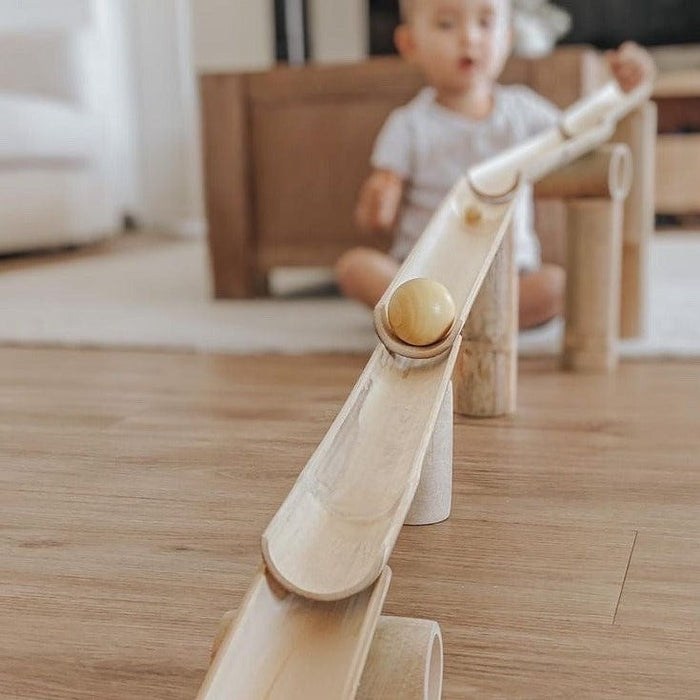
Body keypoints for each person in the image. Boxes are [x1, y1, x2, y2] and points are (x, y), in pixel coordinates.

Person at [335, 0, 655, 329]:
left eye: (485, 23)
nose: (469, 38)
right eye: (446, 24)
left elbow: (581, 135)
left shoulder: (523, 111)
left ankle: (441, 326)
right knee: (355, 268)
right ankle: (458, 320)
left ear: (508, 39)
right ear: (409, 44)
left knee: (557, 285)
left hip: (509, 275)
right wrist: (377, 205)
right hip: (423, 276)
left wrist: (623, 89)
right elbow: (377, 210)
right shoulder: (408, 123)